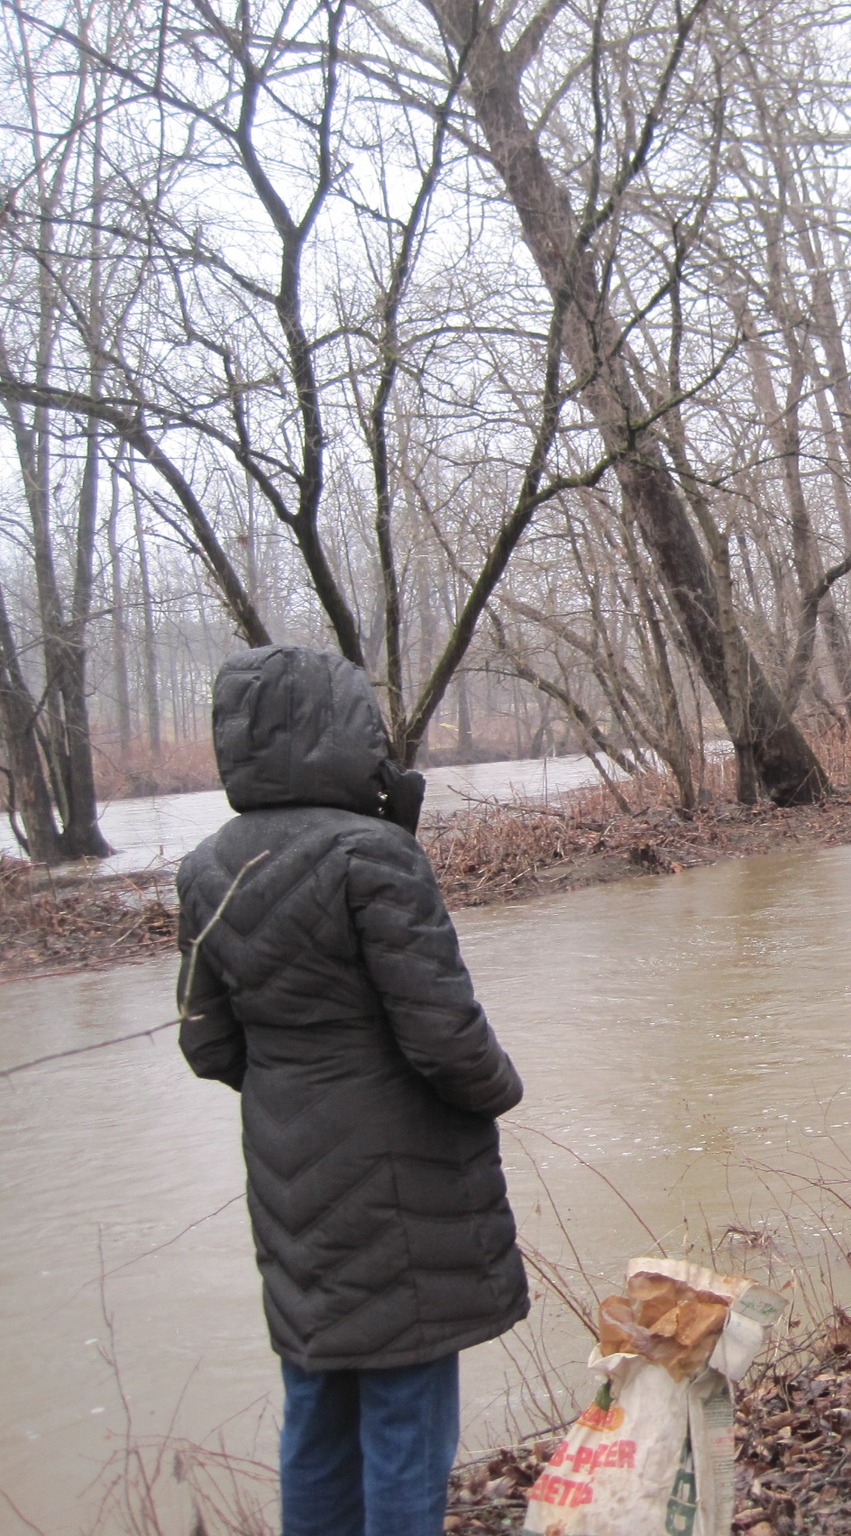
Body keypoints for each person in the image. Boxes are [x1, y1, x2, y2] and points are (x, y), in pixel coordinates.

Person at [177, 646, 528, 1536]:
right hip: (399, 1186)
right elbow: (445, 1039)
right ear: (340, 733)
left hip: (288, 1180)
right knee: (407, 1413)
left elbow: (206, 1042)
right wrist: (502, 1090)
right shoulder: (373, 857)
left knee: (317, 1408)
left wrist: (295, 1088)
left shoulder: (206, 869)